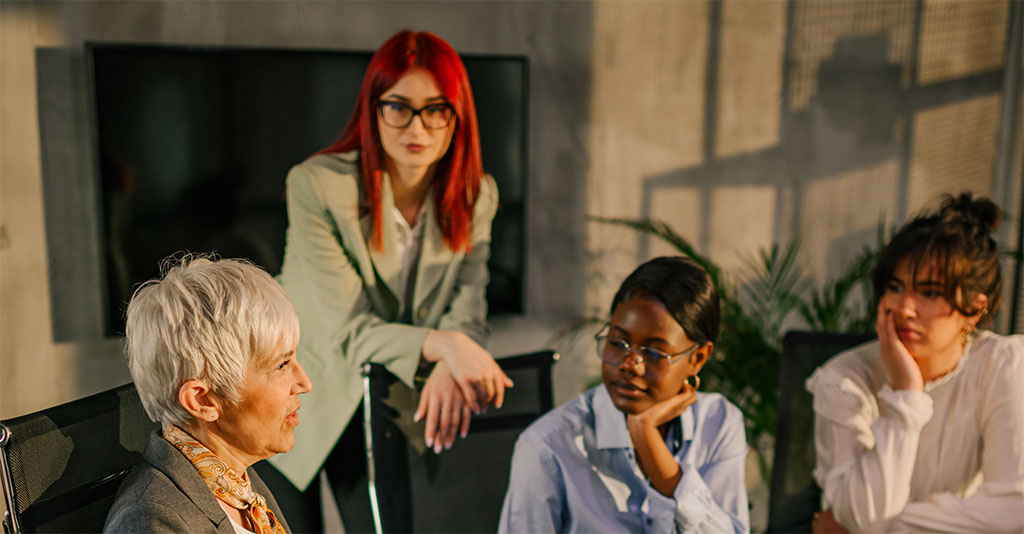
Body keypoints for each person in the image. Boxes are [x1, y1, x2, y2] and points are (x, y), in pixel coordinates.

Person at [256, 29, 511, 532]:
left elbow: (469, 308)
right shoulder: (317, 185)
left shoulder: (476, 195)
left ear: (457, 117)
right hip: (304, 390)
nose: (418, 127)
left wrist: (448, 357)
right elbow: (347, 329)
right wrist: (444, 345)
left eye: (436, 109)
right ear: (374, 110)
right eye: (399, 106)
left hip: (393, 397)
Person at [807, 193, 1024, 533]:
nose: (905, 308)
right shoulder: (844, 379)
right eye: (895, 287)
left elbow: (1015, 508)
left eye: (929, 293)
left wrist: (886, 528)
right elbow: (863, 517)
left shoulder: (1002, 364)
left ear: (976, 310)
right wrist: (906, 394)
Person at [499, 256, 750, 533]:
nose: (630, 364)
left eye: (654, 353)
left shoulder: (718, 423)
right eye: (618, 343)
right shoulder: (547, 447)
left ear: (698, 358)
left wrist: (648, 441)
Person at [104, 255, 313, 533]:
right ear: (203, 400)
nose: (304, 383)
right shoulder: (152, 522)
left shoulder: (239, 485)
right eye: (282, 365)